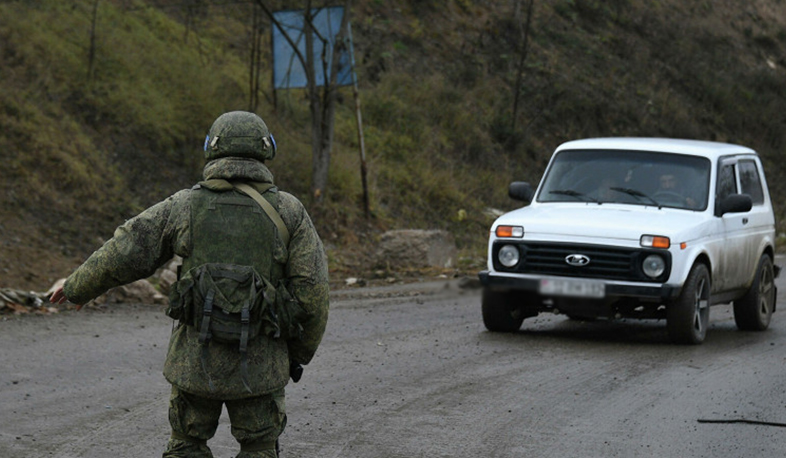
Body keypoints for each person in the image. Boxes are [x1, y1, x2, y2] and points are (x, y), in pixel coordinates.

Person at [50, 111, 330, 458]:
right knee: (259, 447)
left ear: (211, 149)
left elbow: (128, 248)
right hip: (260, 367)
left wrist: (79, 287)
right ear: (266, 150)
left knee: (186, 446)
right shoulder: (290, 212)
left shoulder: (185, 205)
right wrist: (296, 355)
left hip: (195, 364)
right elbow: (312, 297)